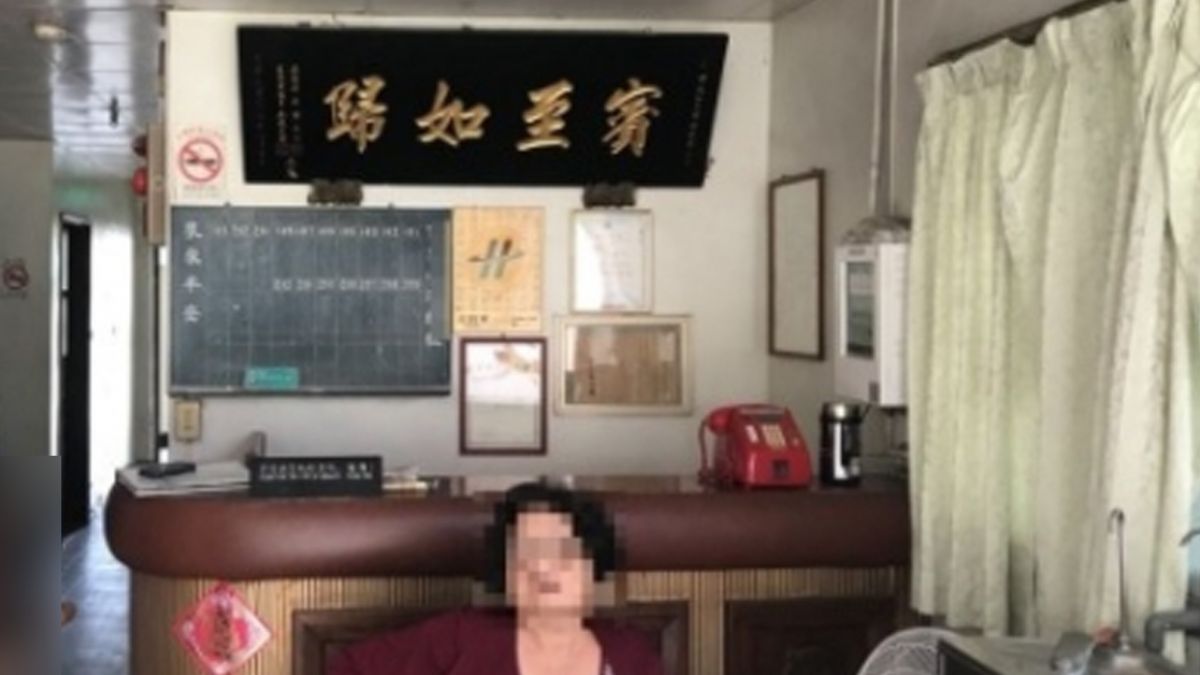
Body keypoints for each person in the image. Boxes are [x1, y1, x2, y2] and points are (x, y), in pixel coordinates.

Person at [329, 482, 663, 675]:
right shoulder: (460, 638)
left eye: (560, 550)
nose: (542, 567)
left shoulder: (631, 655)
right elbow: (349, 669)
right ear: (505, 572)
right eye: (526, 553)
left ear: (592, 564)